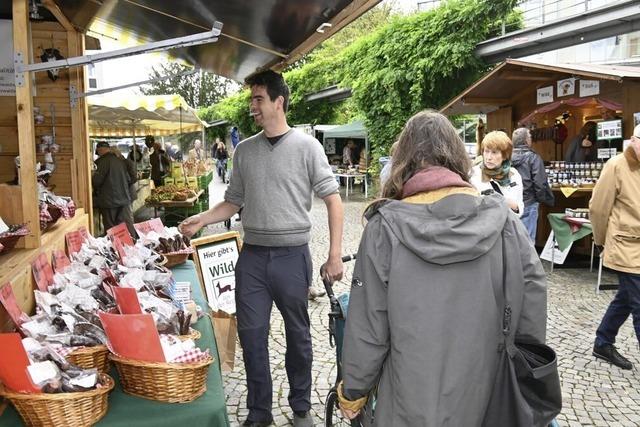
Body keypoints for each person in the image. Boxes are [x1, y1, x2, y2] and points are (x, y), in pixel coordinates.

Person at [337, 110, 547, 425]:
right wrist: (526, 372)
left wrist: (353, 391)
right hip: (488, 392)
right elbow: (532, 296)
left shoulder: (384, 228)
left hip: (409, 400)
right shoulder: (504, 221)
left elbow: (368, 325)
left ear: (402, 160)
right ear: (458, 157)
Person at [178, 70, 344, 427]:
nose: (252, 106)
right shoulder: (245, 151)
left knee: (299, 337)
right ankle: (259, 412)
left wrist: (333, 254)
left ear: (278, 102)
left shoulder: (307, 147)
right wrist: (202, 220)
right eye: (251, 99)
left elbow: (333, 200)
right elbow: (233, 202)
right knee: (252, 337)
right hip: (251, 257)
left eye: (258, 99)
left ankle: (301, 406)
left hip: (292, 256)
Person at [591, 124, 640, 370]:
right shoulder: (616, 166)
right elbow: (598, 208)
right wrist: (601, 241)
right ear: (633, 140)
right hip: (625, 246)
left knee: (626, 298)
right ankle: (603, 342)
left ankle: (603, 342)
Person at [511, 127, 555, 241]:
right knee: (528, 241)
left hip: (512, 203)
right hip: (529, 202)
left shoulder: (506, 158)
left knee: (513, 240)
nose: (531, 139)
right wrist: (542, 199)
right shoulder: (533, 157)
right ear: (526, 141)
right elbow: (540, 183)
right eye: (530, 136)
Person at [470, 130, 524, 216]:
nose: (489, 157)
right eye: (486, 151)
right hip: (482, 226)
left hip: (506, 224)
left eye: (494, 152)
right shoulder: (473, 174)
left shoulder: (513, 174)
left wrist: (508, 203)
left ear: (505, 156)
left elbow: (519, 209)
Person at [93, 141, 135, 236]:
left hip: (109, 200)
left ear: (100, 150)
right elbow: (130, 178)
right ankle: (129, 246)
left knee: (111, 228)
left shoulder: (102, 162)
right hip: (123, 198)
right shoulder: (120, 159)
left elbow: (97, 181)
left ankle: (115, 248)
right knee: (125, 226)